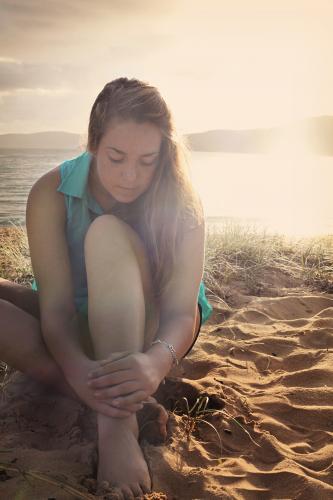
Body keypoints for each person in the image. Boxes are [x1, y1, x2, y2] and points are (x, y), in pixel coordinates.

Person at [0, 77, 212, 499]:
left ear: (164, 153)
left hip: (156, 332)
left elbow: (181, 313)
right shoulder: (51, 192)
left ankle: (117, 426)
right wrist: (76, 366)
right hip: (82, 316)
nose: (131, 175)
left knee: (105, 233)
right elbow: (57, 310)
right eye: (116, 157)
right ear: (93, 143)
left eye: (147, 160)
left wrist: (155, 364)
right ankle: (110, 396)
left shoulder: (181, 200)